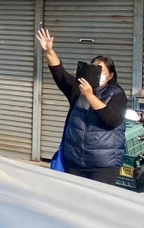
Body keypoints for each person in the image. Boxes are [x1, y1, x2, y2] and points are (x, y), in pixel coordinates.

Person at [36, 28, 127, 184]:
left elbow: (112, 119)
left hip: (103, 166)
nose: (97, 74)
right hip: (75, 162)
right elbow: (60, 74)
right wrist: (49, 51)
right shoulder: (78, 90)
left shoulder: (116, 94)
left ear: (111, 75)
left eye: (101, 71)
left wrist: (90, 96)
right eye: (94, 69)